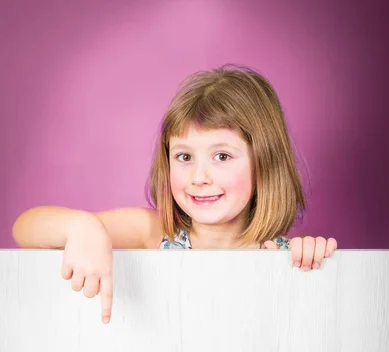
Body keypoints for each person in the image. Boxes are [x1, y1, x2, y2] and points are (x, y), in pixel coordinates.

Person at [12, 64, 338, 324]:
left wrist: (310, 256)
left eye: (222, 156)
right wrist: (82, 227)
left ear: (264, 162)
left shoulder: (280, 255)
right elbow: (25, 229)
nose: (199, 177)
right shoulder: (153, 232)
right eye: (184, 156)